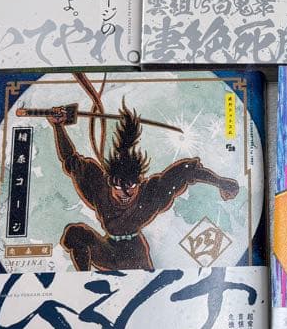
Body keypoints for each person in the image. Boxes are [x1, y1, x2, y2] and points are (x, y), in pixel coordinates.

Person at [44, 101, 240, 271]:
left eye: (131, 186)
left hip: (134, 257)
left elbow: (187, 171)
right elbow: (71, 160)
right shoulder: (99, 188)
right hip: (108, 250)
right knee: (75, 234)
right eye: (118, 187)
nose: (125, 193)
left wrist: (221, 182)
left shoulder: (150, 194)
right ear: (109, 182)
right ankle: (82, 281)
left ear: (139, 182)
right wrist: (58, 127)